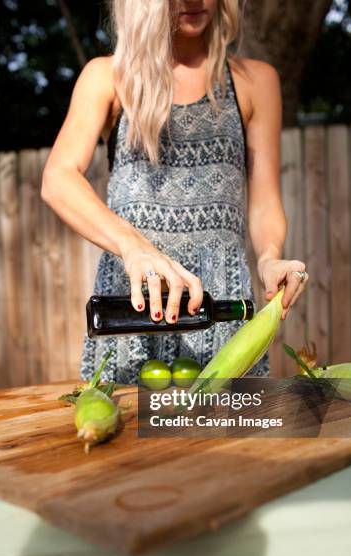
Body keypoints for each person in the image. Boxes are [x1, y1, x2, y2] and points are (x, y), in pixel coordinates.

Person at [41, 0, 308, 384]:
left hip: (220, 306)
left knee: (230, 438)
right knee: (129, 438)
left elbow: (264, 199)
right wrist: (134, 245)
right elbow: (58, 177)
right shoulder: (108, 77)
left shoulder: (256, 81)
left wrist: (269, 258)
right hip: (134, 305)